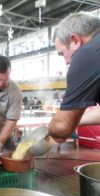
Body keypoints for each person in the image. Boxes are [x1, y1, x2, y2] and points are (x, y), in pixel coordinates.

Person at [48, 13, 100, 143]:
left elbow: (61, 127)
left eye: (62, 54)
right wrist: (75, 121)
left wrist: (51, 129)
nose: (66, 62)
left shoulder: (87, 54)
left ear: (75, 41)